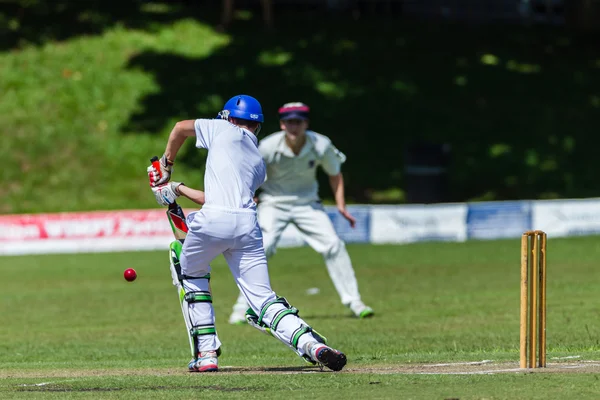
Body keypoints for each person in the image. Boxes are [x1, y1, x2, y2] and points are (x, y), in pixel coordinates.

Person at [148, 95, 347, 373]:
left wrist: (166, 167)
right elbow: (218, 199)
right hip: (247, 227)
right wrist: (176, 189)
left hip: (214, 222)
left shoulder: (221, 128)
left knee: (188, 271)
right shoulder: (258, 161)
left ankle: (206, 353)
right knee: (263, 299)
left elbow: (180, 127)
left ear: (228, 117)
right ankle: (313, 345)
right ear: (258, 126)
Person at [228, 102, 374, 325]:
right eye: (289, 122)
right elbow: (248, 171)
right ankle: (242, 307)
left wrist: (341, 205)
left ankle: (355, 302)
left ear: (306, 123)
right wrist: (249, 194)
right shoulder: (267, 146)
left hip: (308, 204)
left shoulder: (321, 144)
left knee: (334, 245)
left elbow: (335, 174)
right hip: (274, 202)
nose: (293, 126)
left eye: (298, 121)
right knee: (262, 248)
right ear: (282, 124)